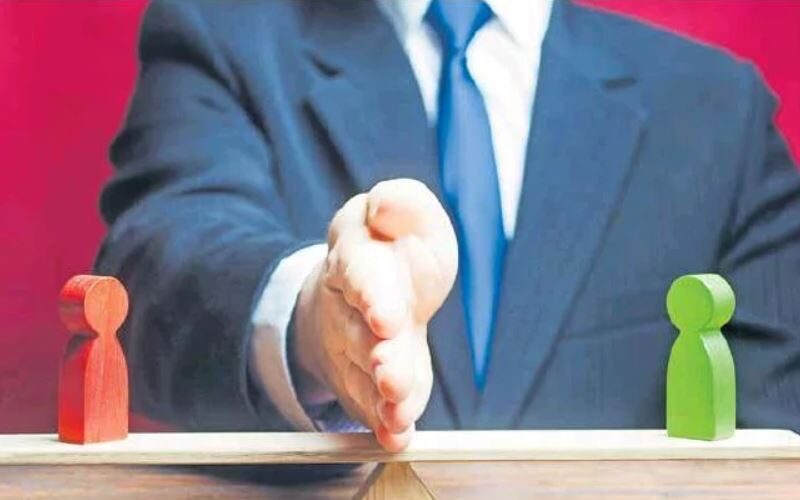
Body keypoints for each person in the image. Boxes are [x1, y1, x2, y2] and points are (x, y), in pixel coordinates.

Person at [97, 0, 800, 452]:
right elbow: (160, 265)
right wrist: (319, 317)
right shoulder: (220, 37)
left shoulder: (720, 112)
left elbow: (777, 441)